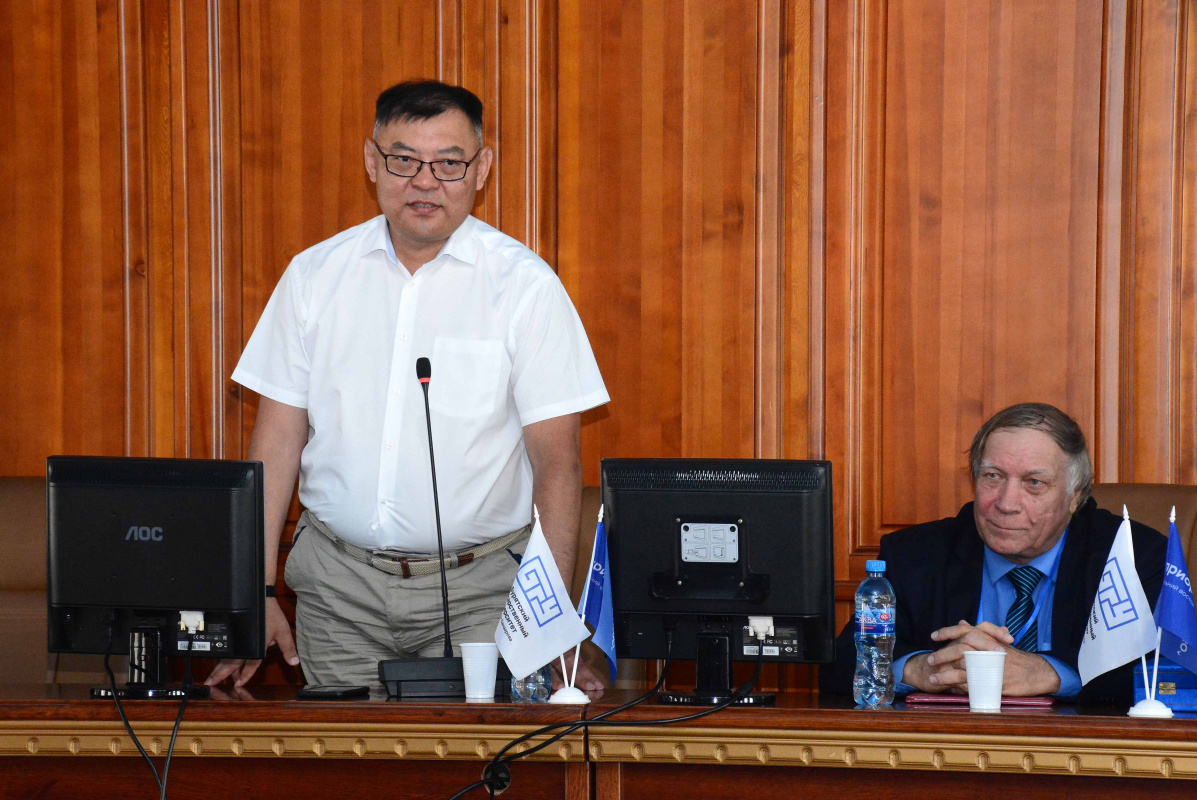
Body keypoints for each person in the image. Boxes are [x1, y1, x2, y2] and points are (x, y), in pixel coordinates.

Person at [206, 80, 609, 690]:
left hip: (482, 594)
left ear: (481, 169)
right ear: (372, 162)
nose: (425, 182)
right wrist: (254, 594)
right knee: (346, 752)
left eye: (449, 162)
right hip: (339, 593)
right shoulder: (314, 277)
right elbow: (276, 443)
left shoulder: (525, 287)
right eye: (403, 160)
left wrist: (546, 621)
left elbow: (557, 463)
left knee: (480, 753)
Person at [820, 402, 1166, 705]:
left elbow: (1167, 673)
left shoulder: (1131, 556)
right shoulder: (913, 554)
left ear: (1075, 496)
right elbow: (841, 665)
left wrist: (1049, 674)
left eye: (1034, 483)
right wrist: (920, 669)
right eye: (993, 476)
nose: (1006, 503)